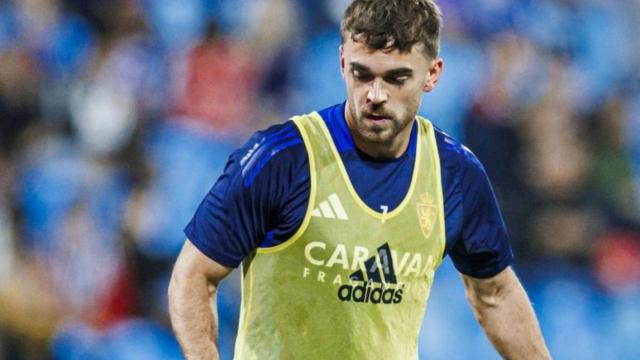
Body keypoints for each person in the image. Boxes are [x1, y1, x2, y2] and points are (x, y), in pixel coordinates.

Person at [168, 1, 551, 359]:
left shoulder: (455, 174)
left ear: (432, 74)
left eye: (397, 78)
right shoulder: (282, 158)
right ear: (341, 63)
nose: (376, 95)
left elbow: (495, 293)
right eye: (361, 74)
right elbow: (194, 274)